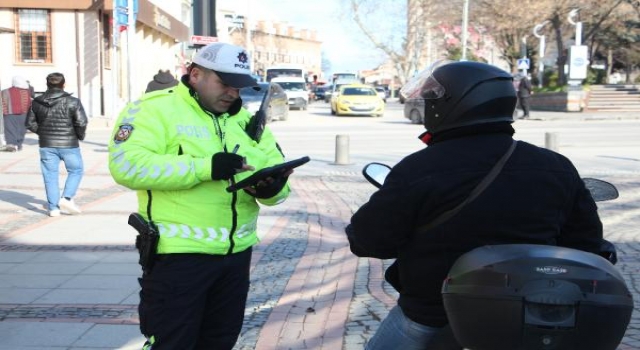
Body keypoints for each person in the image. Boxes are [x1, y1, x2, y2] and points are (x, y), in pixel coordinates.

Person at [345, 61, 610, 350]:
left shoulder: (420, 169)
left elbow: (367, 241)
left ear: (453, 104)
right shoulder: (556, 166)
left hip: (433, 315)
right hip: (530, 316)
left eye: (432, 98)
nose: (427, 105)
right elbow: (587, 246)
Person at [108, 42, 292, 350]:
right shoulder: (153, 108)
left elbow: (278, 177)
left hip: (235, 257)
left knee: (220, 342)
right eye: (224, 83)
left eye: (239, 86)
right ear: (195, 74)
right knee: (172, 343)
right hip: (178, 257)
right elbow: (126, 166)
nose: (233, 92)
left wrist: (273, 190)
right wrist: (204, 168)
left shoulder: (248, 122)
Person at [26, 72, 87, 217]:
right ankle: (66, 198)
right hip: (69, 144)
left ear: (47, 84)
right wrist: (78, 136)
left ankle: (53, 208)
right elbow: (81, 122)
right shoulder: (73, 101)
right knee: (76, 170)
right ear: (63, 84)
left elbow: (29, 123)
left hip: (47, 145)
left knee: (50, 176)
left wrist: (43, 133)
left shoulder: (36, 102)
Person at [1, 76, 32, 152]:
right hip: (23, 114)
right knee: (21, 129)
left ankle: (11, 144)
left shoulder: (5, 91)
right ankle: (19, 144)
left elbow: (2, 103)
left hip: (9, 114)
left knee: (10, 129)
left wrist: (5, 111)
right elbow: (28, 103)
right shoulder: (26, 92)